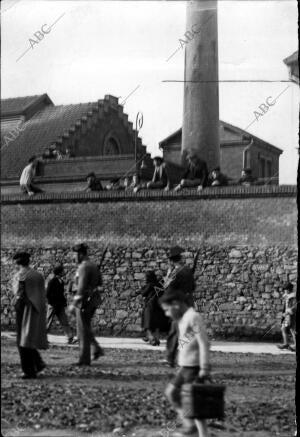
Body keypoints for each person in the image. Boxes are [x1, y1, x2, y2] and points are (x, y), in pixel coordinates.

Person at [160, 287, 210, 437]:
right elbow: (187, 341)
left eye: (167, 310)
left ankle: (201, 433)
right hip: (185, 367)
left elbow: (204, 343)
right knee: (172, 393)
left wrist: (204, 367)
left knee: (194, 404)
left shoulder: (193, 317)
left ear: (176, 304)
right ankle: (190, 425)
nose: (166, 314)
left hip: (194, 367)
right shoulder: (183, 319)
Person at [12, 252, 48, 379]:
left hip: (24, 310)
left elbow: (20, 294)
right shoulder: (38, 275)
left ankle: (29, 371)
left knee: (22, 341)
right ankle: (38, 363)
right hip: (37, 310)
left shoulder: (21, 275)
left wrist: (15, 305)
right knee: (29, 338)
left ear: (17, 262)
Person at [69, 243, 104, 366]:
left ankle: (84, 359)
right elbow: (100, 283)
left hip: (84, 301)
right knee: (86, 328)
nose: (73, 258)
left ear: (80, 254)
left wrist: (74, 302)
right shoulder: (93, 265)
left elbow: (81, 286)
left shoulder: (83, 267)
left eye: (74, 255)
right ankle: (96, 349)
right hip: (93, 300)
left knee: (82, 331)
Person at [163, 246, 195, 367]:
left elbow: (166, 287)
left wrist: (168, 274)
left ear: (171, 261)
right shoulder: (187, 270)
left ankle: (171, 358)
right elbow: (193, 288)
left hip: (178, 305)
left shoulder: (175, 272)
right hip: (188, 304)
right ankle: (182, 356)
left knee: (174, 333)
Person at [46, 264, 74, 344]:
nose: (64, 272)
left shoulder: (60, 281)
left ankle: (70, 337)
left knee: (64, 321)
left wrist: (64, 302)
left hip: (60, 305)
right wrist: (51, 303)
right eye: (63, 271)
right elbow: (47, 294)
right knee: (48, 321)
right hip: (53, 305)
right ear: (59, 272)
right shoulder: (52, 281)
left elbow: (60, 294)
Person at [140, 271, 170, 345]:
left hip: (150, 306)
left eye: (146, 277)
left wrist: (141, 290)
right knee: (156, 325)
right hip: (159, 306)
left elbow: (144, 293)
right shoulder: (160, 285)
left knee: (148, 324)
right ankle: (156, 339)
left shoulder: (150, 284)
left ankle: (152, 339)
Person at [277, 282, 296, 352]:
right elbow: (285, 306)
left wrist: (289, 311)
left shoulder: (293, 297)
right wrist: (284, 313)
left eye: (286, 289)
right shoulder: (287, 296)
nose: (285, 290)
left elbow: (294, 307)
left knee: (293, 330)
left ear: (289, 289)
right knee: (283, 328)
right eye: (284, 289)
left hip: (292, 316)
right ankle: (286, 343)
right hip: (287, 316)